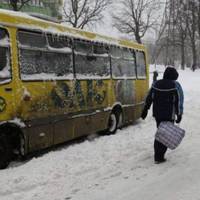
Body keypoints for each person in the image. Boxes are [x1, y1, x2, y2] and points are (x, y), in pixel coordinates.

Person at [141, 67, 184, 164]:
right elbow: (179, 101)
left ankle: (158, 155)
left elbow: (149, 97)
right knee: (165, 134)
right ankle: (159, 157)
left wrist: (145, 110)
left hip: (158, 114)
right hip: (169, 114)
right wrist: (179, 114)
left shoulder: (156, 84)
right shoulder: (175, 85)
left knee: (160, 132)